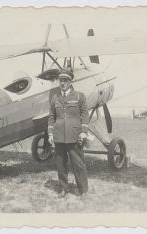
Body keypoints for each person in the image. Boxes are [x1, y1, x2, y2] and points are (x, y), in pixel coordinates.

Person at [48, 69, 90, 198]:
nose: (63, 83)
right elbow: (51, 117)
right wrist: (50, 134)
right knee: (60, 164)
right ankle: (63, 188)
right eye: (61, 80)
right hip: (59, 136)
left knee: (78, 164)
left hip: (74, 136)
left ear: (70, 81)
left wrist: (83, 132)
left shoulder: (79, 96)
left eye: (65, 80)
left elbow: (85, 115)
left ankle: (83, 190)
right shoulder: (55, 98)